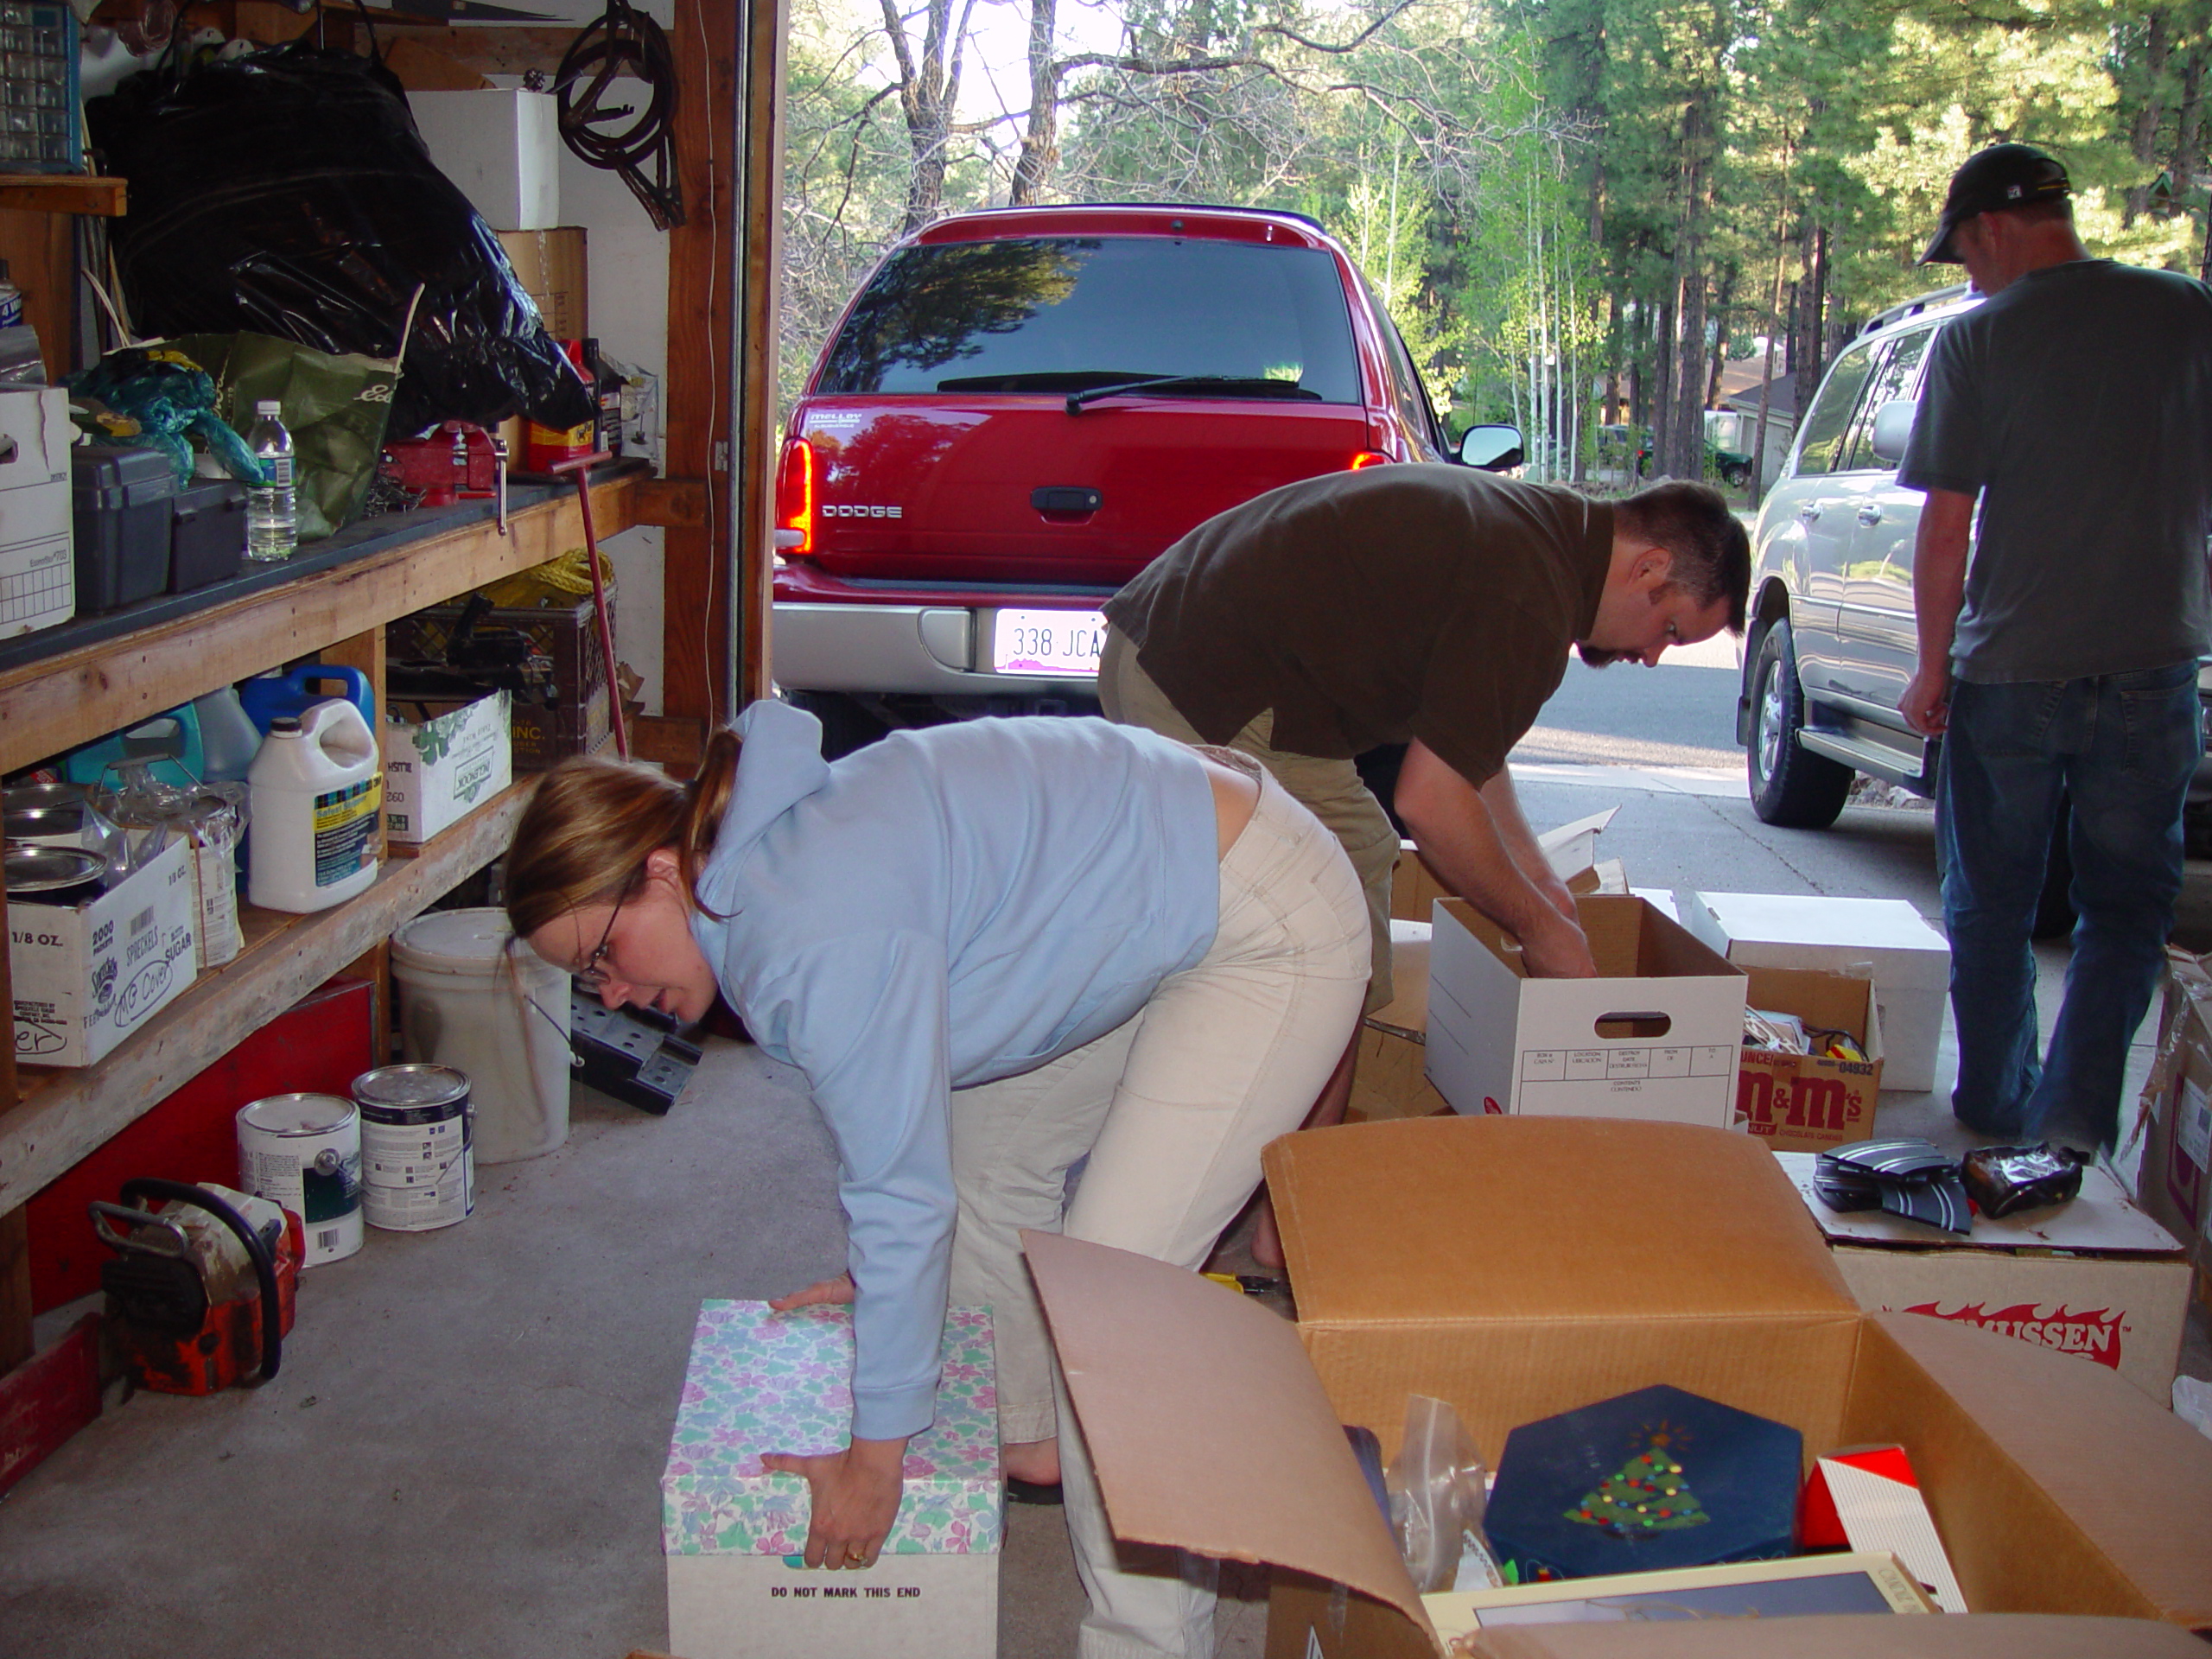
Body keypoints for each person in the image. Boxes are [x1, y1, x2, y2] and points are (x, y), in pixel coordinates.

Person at [505, 697, 1368, 1659]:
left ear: (661, 872)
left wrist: (874, 1463)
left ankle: (1145, 1642)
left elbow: (898, 1199)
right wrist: (888, 1289)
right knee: (982, 1168)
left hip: (1263, 917)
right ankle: (1031, 1439)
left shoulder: (801, 935)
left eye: (603, 957)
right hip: (1152, 878)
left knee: (1115, 1310)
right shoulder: (751, 867)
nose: (615, 996)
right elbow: (909, 1150)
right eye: (591, 984)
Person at [1100, 467, 1750, 1255]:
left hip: (1203, 653)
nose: (1653, 656)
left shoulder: (1547, 539)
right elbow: (1431, 804)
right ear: (1648, 569)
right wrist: (1540, 932)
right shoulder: (1532, 593)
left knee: (1357, 867)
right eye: (1672, 631)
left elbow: (1471, 749)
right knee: (1325, 936)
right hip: (1201, 680)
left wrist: (1540, 880)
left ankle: (1280, 1205)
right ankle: (1288, 1222)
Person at [1897, 142, 2212, 1151]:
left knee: (1989, 902)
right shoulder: (2185, 313)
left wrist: (1931, 667)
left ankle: (1994, 1101)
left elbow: (1947, 529)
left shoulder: (1976, 341)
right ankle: (2073, 1121)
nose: (1969, 277)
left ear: (1992, 226)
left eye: (1964, 255)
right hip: (2151, 661)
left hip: (2009, 672)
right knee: (2124, 909)